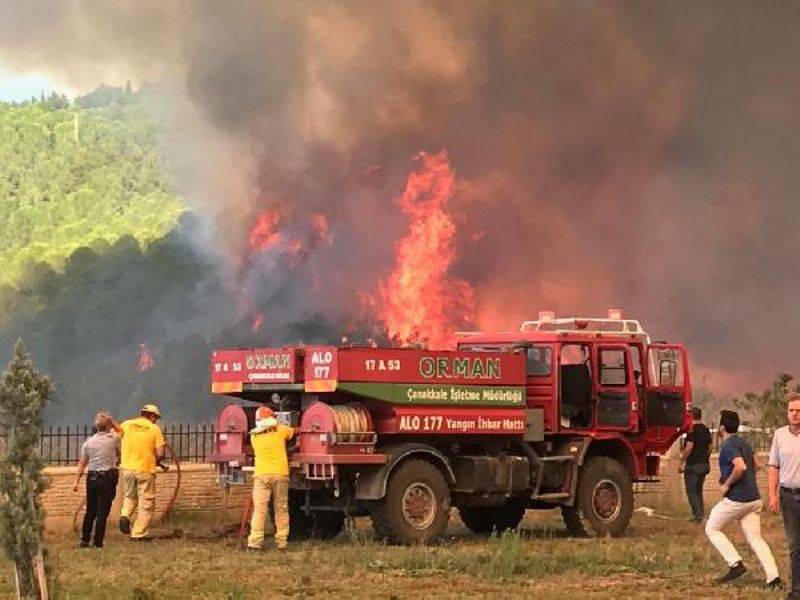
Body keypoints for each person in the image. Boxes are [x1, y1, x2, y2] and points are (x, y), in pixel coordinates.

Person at [705, 409, 782, 588]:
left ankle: (735, 564)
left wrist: (727, 484)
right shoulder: (744, 443)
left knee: (712, 528)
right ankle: (774, 578)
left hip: (736, 499)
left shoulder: (728, 446)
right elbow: (756, 465)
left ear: (722, 428)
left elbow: (740, 467)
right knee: (756, 539)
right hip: (754, 500)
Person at [247, 406, 297, 551]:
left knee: (259, 509)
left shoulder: (254, 437)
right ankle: (282, 542)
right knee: (281, 508)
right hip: (280, 474)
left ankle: (254, 543)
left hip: (261, 475)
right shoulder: (281, 430)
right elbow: (294, 432)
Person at [72, 412, 122, 548]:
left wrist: (76, 481)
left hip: (92, 477)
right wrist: (112, 422)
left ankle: (85, 540)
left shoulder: (88, 443)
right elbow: (121, 431)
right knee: (102, 512)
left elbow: (82, 463)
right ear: (107, 427)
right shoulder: (112, 439)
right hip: (107, 477)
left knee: (90, 511)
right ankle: (98, 542)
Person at [768, 392, 800, 600]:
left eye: (799, 411)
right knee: (795, 546)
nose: (795, 414)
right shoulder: (779, 435)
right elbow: (773, 466)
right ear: (786, 413)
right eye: (792, 411)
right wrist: (772, 495)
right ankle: (796, 591)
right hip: (789, 497)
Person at [119, 404, 165, 540]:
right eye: (155, 417)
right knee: (147, 502)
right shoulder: (154, 429)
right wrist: (157, 460)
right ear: (151, 416)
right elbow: (160, 453)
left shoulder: (126, 424)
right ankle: (138, 534)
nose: (156, 420)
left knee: (130, 496)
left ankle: (125, 515)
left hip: (127, 468)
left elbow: (115, 440)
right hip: (145, 469)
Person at [679, 407, 712, 522]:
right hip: (704, 464)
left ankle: (698, 516)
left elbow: (689, 447)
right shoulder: (706, 430)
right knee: (699, 490)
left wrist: (681, 462)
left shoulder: (691, 431)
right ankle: (700, 515)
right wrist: (705, 457)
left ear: (692, 416)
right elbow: (710, 447)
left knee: (691, 491)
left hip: (693, 465)